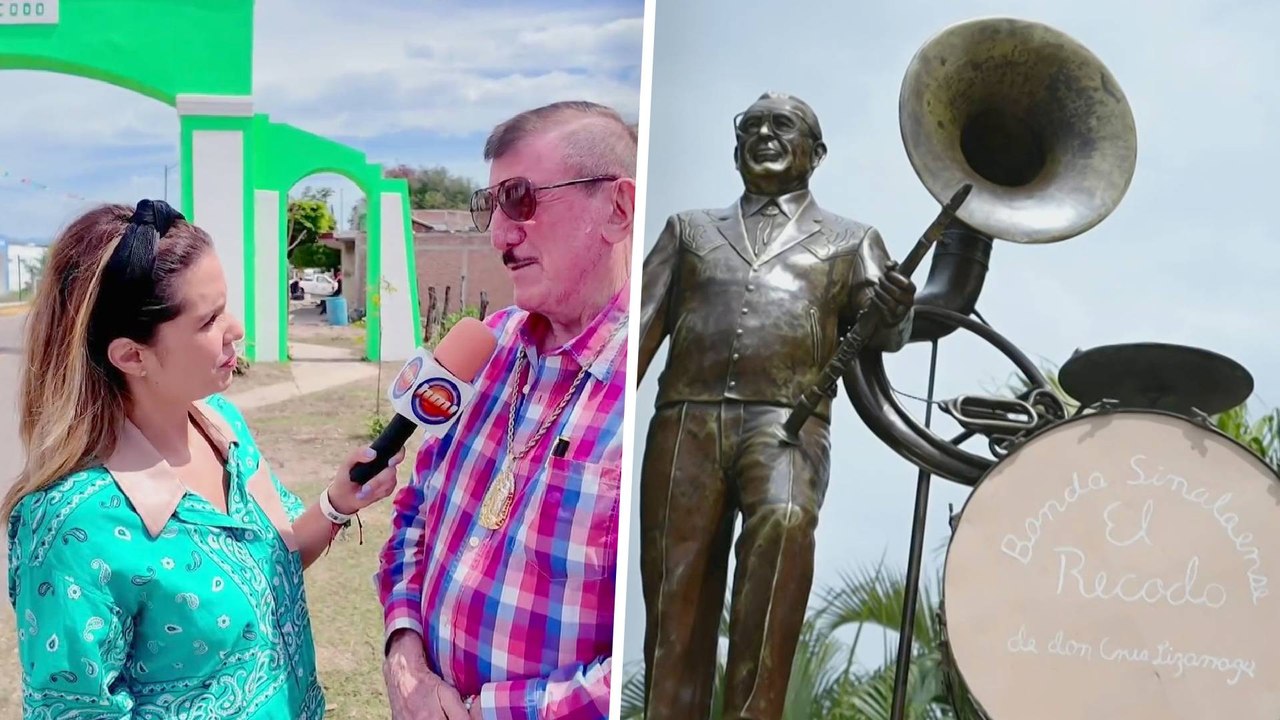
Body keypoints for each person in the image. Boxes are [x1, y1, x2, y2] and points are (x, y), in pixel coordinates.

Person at [3, 199, 405, 718]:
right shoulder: (73, 527)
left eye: (226, 307)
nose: (235, 328)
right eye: (208, 319)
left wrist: (334, 503)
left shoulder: (220, 424)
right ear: (132, 355)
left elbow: (271, 565)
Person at [635, 92, 918, 720]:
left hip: (788, 423)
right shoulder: (689, 229)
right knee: (676, 588)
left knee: (786, 524)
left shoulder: (852, 239)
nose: (764, 133)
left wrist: (896, 309)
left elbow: (885, 333)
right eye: (751, 125)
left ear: (815, 154)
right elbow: (640, 332)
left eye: (782, 125)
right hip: (685, 419)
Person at [377, 100, 634, 719]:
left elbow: (652, 653)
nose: (498, 234)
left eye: (520, 199)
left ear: (618, 210)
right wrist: (405, 659)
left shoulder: (655, 391)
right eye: (488, 205)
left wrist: (484, 714)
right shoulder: (482, 350)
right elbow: (416, 512)